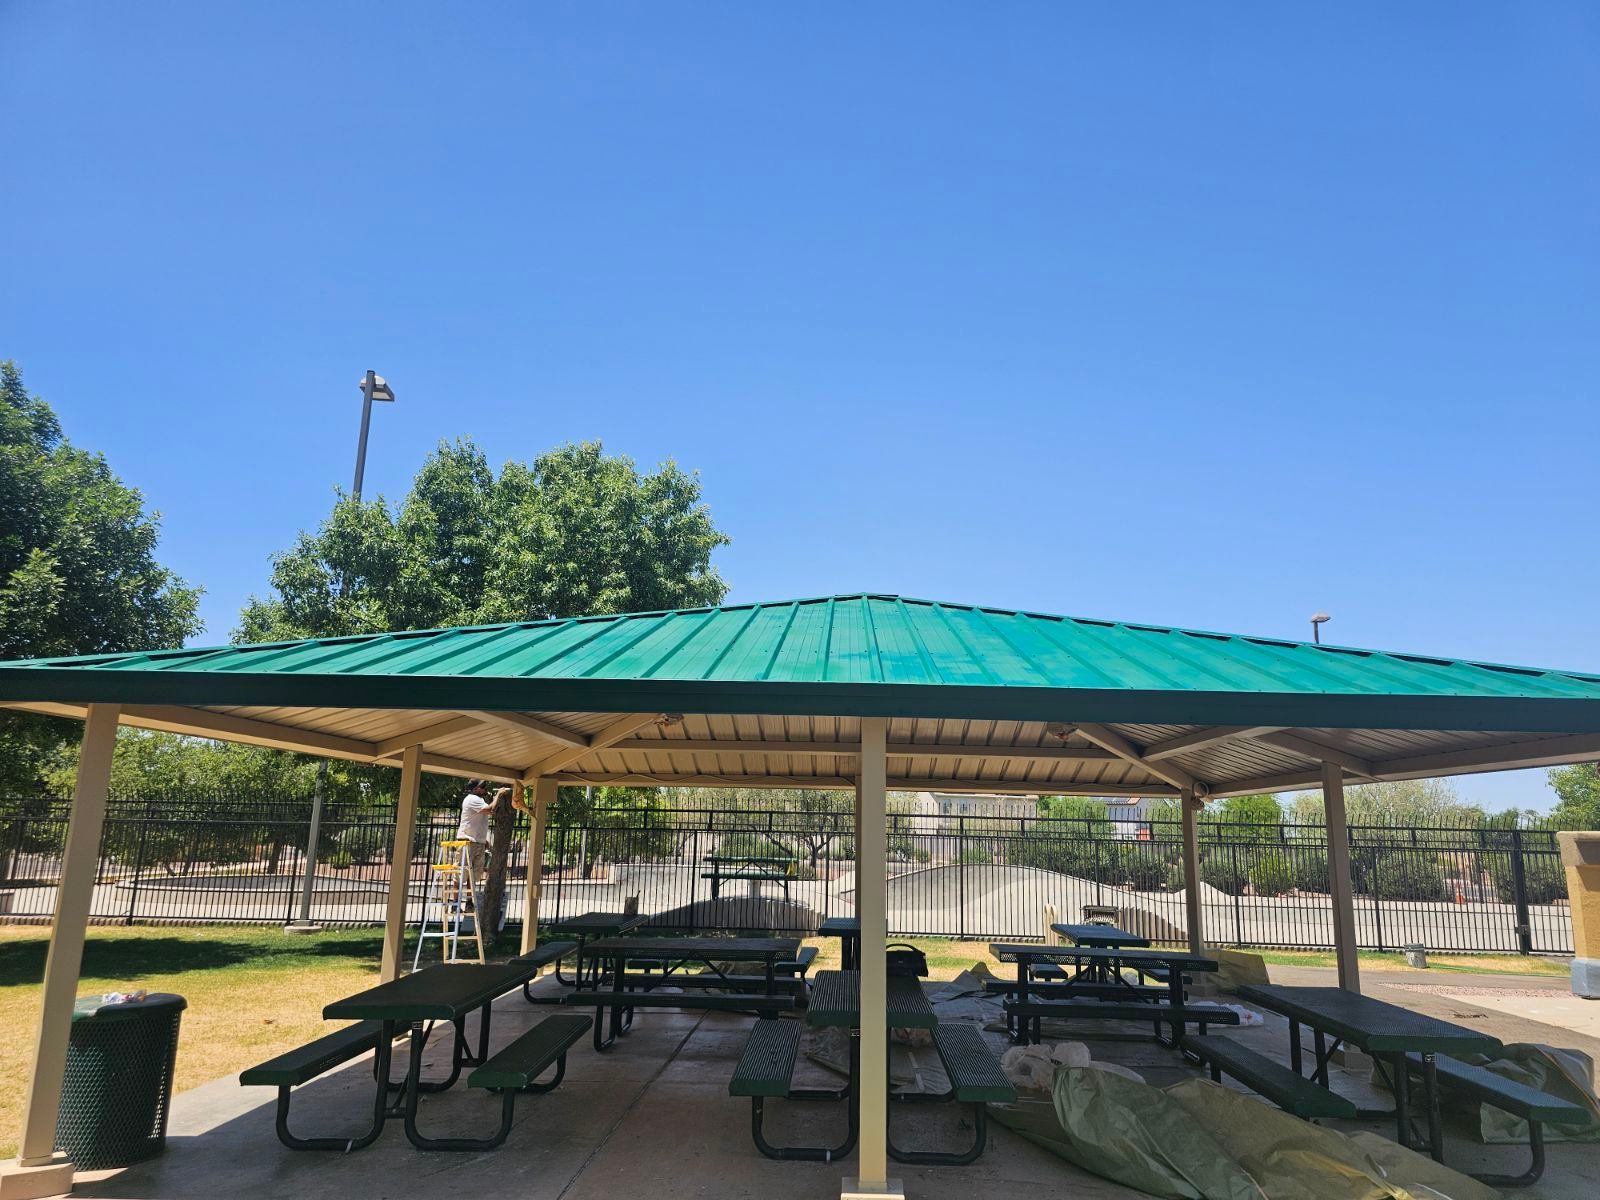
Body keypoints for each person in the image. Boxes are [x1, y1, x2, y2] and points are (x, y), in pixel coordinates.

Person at [456, 780, 508, 905]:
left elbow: (489, 812)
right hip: (467, 841)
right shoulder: (472, 799)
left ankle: (469, 901)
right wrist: (498, 795)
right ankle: (455, 901)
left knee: (473, 875)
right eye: (483, 787)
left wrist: (483, 840)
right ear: (476, 789)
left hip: (477, 842)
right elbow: (490, 808)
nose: (485, 789)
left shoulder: (479, 800)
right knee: (460, 873)